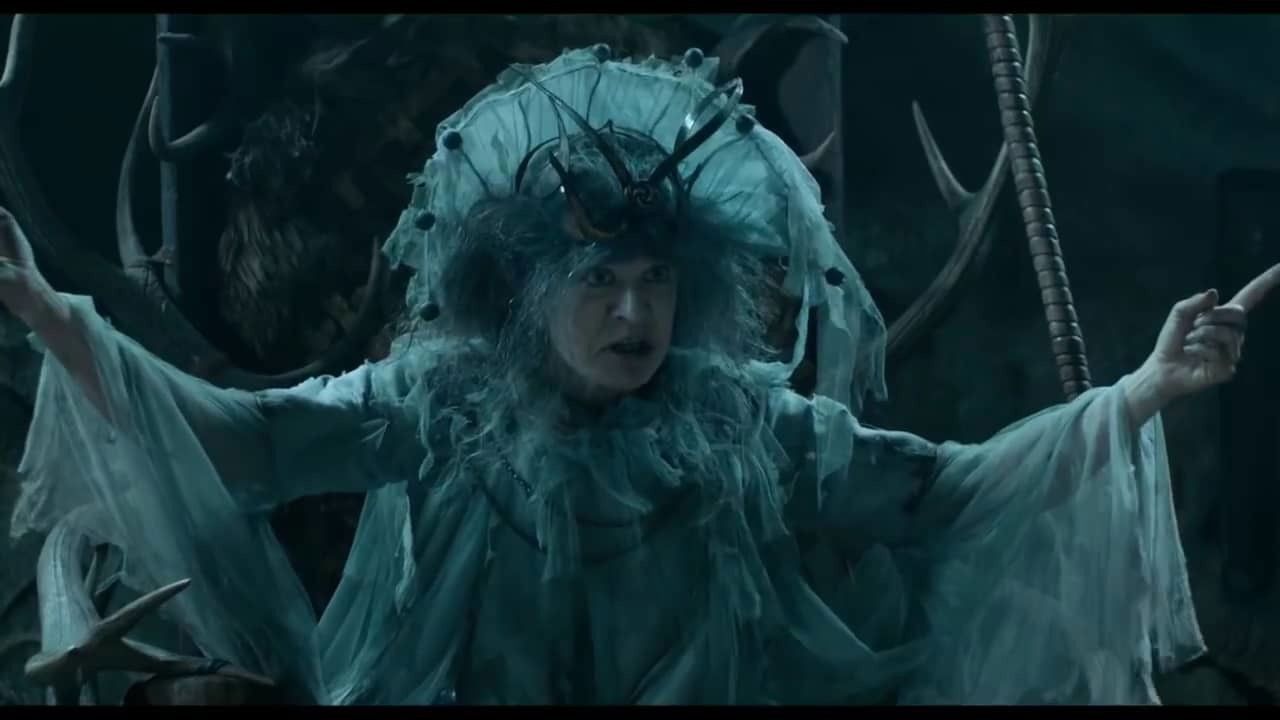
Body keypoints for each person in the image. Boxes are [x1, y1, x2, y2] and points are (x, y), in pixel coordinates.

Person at [1, 45, 1277, 705]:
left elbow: (943, 492)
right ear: (522, 289)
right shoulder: (434, 405)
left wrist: (1137, 396)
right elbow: (246, 440)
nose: (632, 312)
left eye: (657, 280)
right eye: (597, 279)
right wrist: (54, 317)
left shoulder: (741, 427)